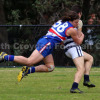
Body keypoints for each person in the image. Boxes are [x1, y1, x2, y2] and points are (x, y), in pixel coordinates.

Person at [0, 11, 84, 82]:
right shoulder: (72, 30)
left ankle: (27, 70)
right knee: (29, 61)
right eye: (76, 22)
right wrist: (82, 34)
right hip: (47, 43)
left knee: (50, 67)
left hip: (46, 42)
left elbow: (59, 38)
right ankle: (5, 56)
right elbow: (79, 42)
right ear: (70, 20)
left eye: (78, 23)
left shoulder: (60, 21)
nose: (76, 24)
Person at [63, 5, 95, 93]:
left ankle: (86, 79)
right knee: (80, 69)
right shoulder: (78, 22)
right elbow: (79, 38)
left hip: (67, 48)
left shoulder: (64, 22)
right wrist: (82, 36)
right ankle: (74, 87)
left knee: (90, 58)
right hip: (74, 47)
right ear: (79, 14)